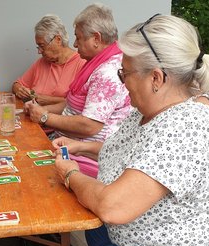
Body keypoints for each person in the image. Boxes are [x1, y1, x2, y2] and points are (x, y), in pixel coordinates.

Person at [53, 13, 209, 246]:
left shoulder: (185, 126)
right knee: (92, 228)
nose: (123, 82)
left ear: (156, 77)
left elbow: (114, 207)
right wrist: (82, 147)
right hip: (152, 241)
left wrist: (70, 175)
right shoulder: (157, 106)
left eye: (125, 73)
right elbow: (132, 153)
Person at [25, 4, 132, 178]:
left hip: (87, 159)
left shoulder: (107, 73)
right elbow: (72, 105)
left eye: (79, 38)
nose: (74, 44)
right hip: (70, 145)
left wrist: (45, 117)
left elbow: (89, 125)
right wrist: (40, 110)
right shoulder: (97, 62)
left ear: (96, 38)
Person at [12, 14, 85, 106]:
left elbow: (81, 104)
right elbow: (16, 84)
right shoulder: (41, 62)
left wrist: (50, 100)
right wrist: (19, 90)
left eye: (42, 46)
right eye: (38, 47)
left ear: (58, 40)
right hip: (34, 117)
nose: (39, 51)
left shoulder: (82, 64)